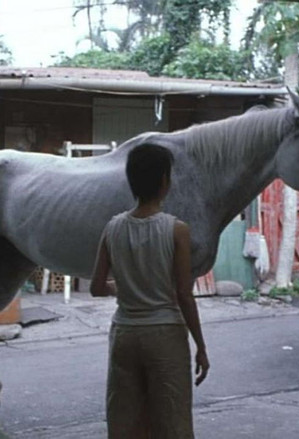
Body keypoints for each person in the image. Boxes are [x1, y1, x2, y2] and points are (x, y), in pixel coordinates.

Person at [91, 143, 210, 439]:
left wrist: (123, 287)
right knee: (172, 422)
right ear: (164, 182)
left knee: (125, 421)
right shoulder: (176, 230)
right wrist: (201, 346)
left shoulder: (113, 228)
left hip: (125, 334)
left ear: (132, 182)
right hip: (165, 336)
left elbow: (95, 287)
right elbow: (183, 294)